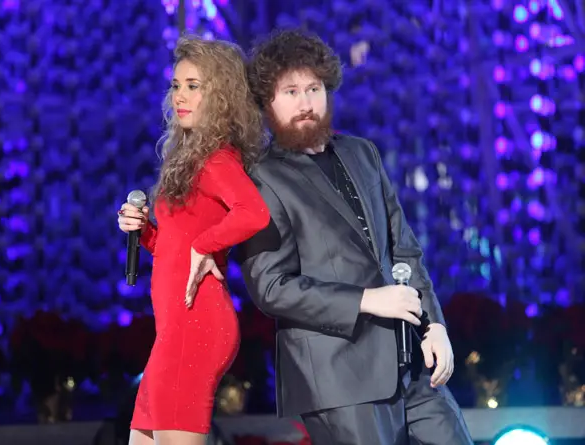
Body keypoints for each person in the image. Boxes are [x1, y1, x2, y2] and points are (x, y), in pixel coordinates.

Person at [238, 29, 473, 445]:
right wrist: (367, 300)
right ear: (267, 101)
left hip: (410, 363)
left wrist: (434, 325)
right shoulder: (262, 178)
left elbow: (405, 251)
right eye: (290, 91)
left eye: (314, 88)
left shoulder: (362, 153)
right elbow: (271, 287)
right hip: (339, 378)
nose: (306, 102)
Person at [117, 35, 269, 445]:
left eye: (193, 86)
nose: (180, 96)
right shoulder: (188, 158)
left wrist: (206, 246)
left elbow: (254, 213)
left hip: (196, 325)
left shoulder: (217, 158)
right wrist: (144, 230)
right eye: (176, 85)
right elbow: (174, 245)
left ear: (219, 95)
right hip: (174, 331)